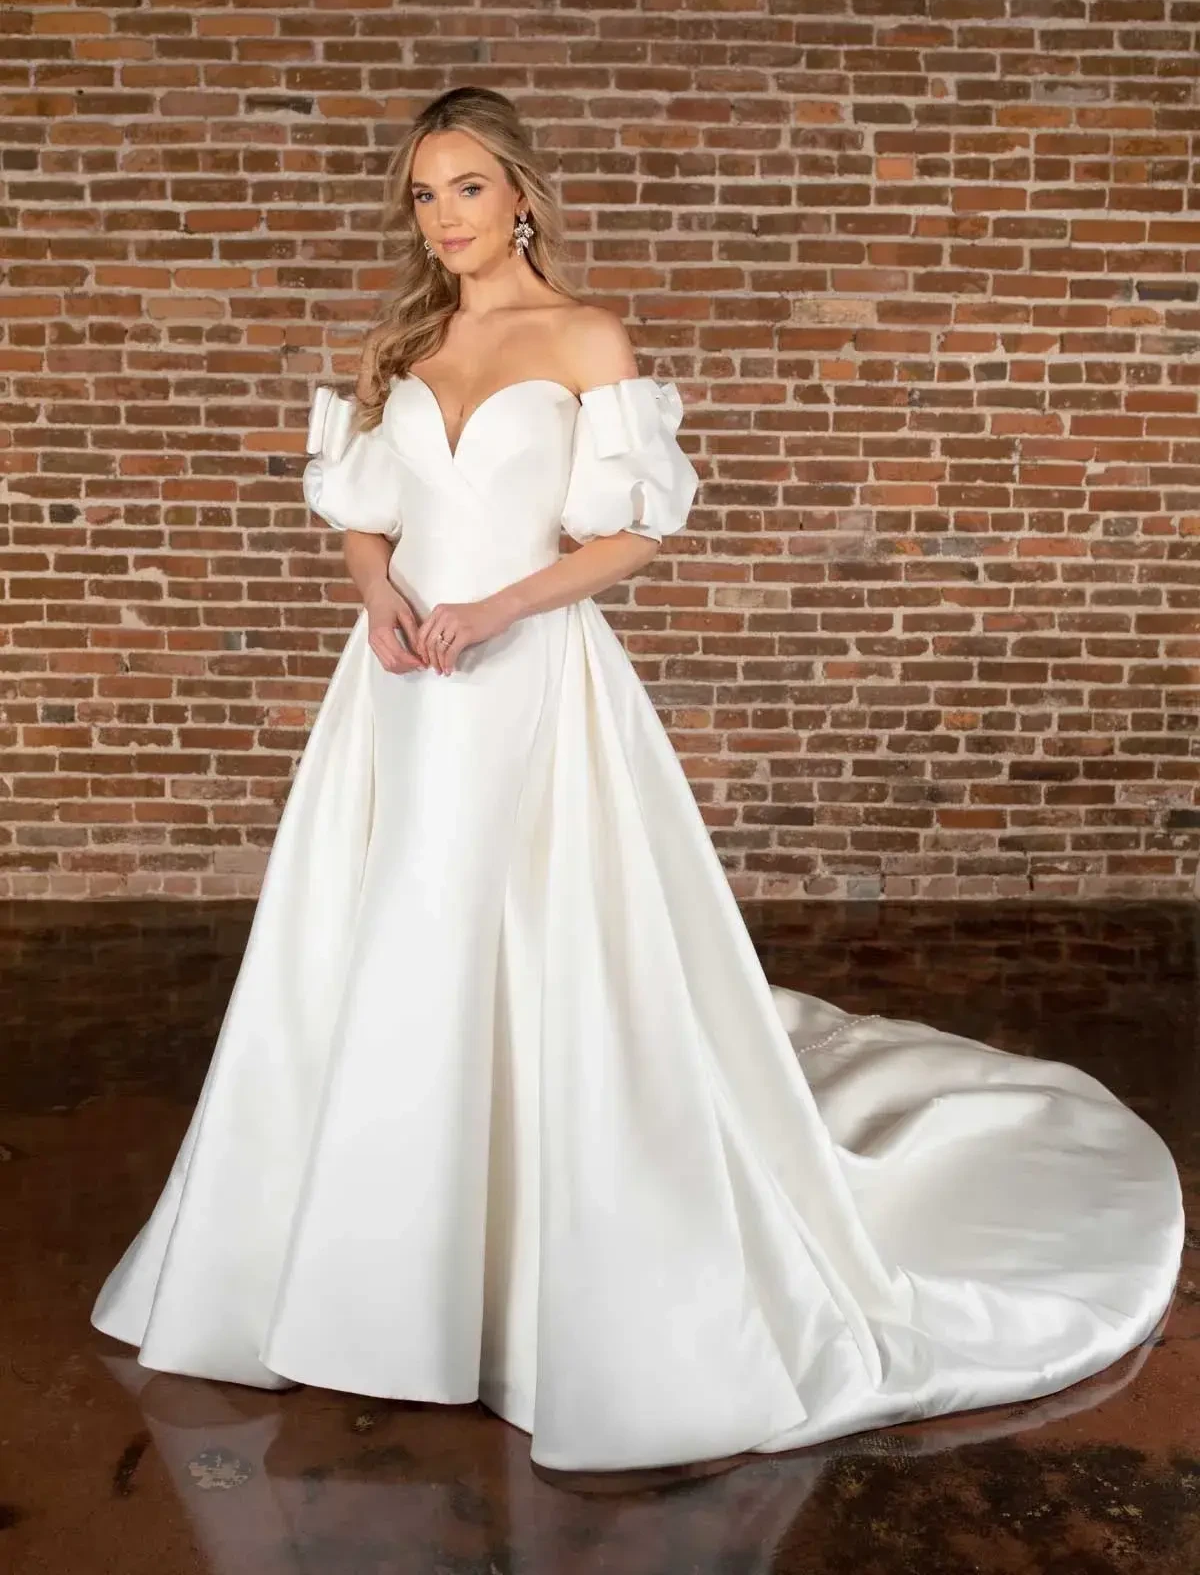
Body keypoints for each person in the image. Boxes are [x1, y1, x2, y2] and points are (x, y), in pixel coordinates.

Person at [92, 85, 1185, 1476]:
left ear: (521, 194)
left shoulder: (586, 336)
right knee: (383, 943)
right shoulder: (405, 342)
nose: (445, 221)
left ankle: (529, 1262)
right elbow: (366, 516)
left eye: (468, 190)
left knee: (531, 940)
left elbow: (624, 539)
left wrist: (494, 613)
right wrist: (378, 599)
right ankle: (369, 1275)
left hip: (524, 679)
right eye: (424, 196)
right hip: (399, 693)